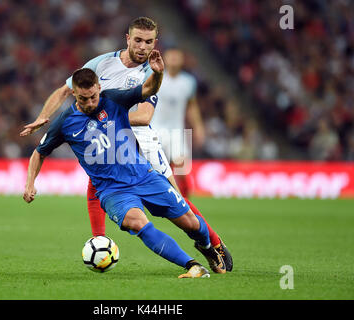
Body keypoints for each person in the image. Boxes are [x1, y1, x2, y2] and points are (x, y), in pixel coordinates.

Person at [20, 17, 232, 272]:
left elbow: (143, 117)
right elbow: (64, 90)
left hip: (142, 136)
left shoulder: (150, 71)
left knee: (177, 199)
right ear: (128, 39)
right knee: (98, 179)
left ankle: (213, 244)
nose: (143, 47)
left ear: (155, 43)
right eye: (139, 40)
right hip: (109, 133)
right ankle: (100, 239)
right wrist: (45, 116)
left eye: (149, 42)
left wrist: (104, 121)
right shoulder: (102, 63)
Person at [150, 48, 205, 198]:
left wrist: (198, 126)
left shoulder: (188, 82)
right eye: (171, 56)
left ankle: (186, 204)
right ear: (165, 58)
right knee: (154, 169)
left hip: (176, 131)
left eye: (177, 56)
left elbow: (192, 106)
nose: (174, 59)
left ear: (182, 60)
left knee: (181, 168)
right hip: (156, 129)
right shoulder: (155, 77)